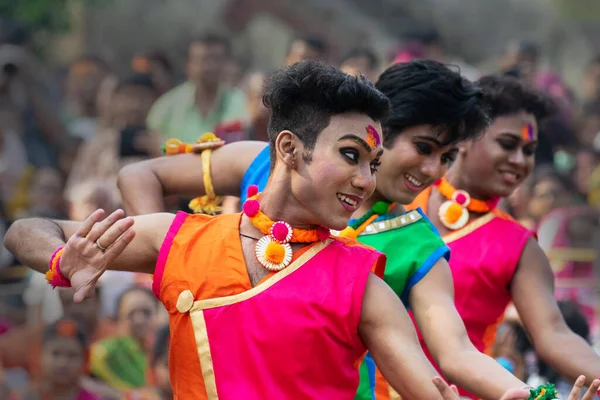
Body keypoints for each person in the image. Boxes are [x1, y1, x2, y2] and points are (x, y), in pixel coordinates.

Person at [4, 60, 486, 400]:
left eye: (372, 163)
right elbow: (26, 229)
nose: (364, 178)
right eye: (350, 155)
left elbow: (433, 390)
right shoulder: (184, 240)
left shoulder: (365, 286)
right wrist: (60, 261)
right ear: (290, 148)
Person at [117, 60, 539, 400]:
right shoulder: (271, 162)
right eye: (424, 148)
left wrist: (533, 397)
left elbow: (457, 352)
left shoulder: (417, 244)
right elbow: (141, 176)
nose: (432, 170)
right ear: (380, 130)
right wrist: (169, 271)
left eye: (447, 158)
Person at [407, 74, 600, 398]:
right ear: (465, 137)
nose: (521, 161)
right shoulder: (404, 200)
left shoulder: (520, 246)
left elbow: (553, 334)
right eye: (508, 144)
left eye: (530, 150)